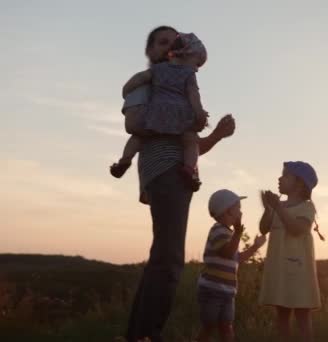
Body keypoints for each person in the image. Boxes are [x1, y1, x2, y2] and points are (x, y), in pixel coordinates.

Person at [122, 26, 236, 342]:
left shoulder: (175, 84)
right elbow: (133, 124)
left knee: (163, 255)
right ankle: (148, 335)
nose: (171, 47)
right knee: (170, 258)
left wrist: (216, 135)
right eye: (163, 42)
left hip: (177, 172)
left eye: (175, 42)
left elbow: (191, 144)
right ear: (151, 50)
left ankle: (138, 334)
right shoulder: (148, 83)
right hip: (164, 171)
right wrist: (178, 116)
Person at [110, 32, 210, 190]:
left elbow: (140, 78)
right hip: (180, 116)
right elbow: (194, 96)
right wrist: (199, 114)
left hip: (156, 113)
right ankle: (189, 169)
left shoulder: (158, 69)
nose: (197, 69)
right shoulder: (188, 74)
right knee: (191, 141)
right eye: (197, 64)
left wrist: (127, 90)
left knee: (139, 136)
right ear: (187, 54)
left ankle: (124, 161)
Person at [259, 161, 323, 342]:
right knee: (282, 313)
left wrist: (277, 208)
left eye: (286, 175)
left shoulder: (307, 207)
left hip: (299, 270)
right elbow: (264, 228)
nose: (280, 178)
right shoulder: (278, 206)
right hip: (280, 268)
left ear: (300, 183)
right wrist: (267, 209)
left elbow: (297, 229)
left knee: (302, 314)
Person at [197, 189, 267, 342]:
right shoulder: (218, 231)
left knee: (227, 326)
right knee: (209, 325)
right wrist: (237, 233)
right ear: (228, 211)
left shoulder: (228, 234)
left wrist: (255, 247)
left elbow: (237, 258)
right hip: (212, 290)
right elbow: (228, 253)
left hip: (228, 292)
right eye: (238, 208)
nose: (241, 212)